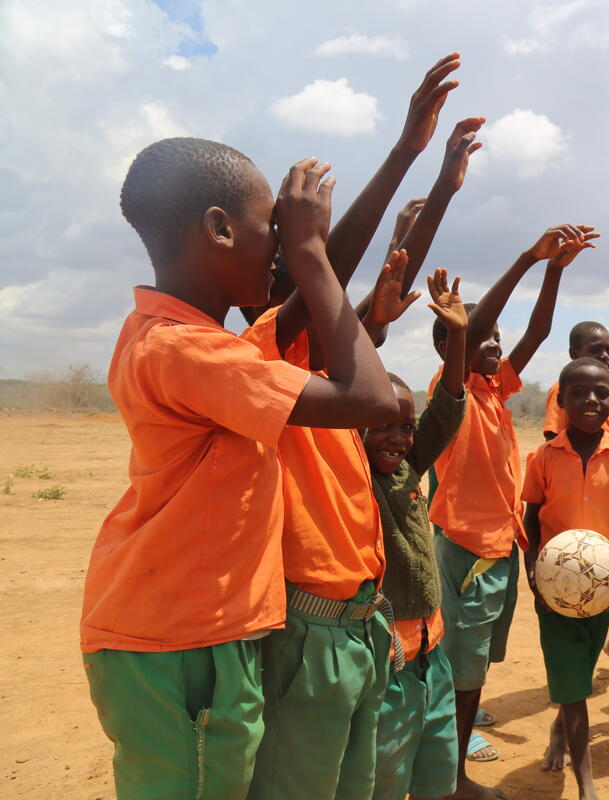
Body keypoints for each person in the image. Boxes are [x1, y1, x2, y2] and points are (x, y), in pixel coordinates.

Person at [80, 140, 398, 798]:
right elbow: (372, 400)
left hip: (195, 634)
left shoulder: (187, 341)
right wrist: (308, 252)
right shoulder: (187, 352)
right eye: (272, 230)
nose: (282, 248)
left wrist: (406, 150)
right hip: (177, 647)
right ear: (221, 228)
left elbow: (315, 301)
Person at [239, 55, 470, 800]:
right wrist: (404, 154)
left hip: (361, 618)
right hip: (308, 624)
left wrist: (435, 181)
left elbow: (393, 272)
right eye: (298, 271)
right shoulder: (263, 350)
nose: (316, 282)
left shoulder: (334, 365)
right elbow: (327, 274)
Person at [429, 223, 597, 800]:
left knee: (473, 667)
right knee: (462, 669)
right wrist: (526, 257)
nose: (494, 345)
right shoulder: (447, 393)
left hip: (498, 549)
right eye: (482, 339)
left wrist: (555, 269)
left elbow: (541, 329)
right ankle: (450, 780)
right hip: (468, 550)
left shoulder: (494, 391)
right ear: (452, 346)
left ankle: (449, 757)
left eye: (496, 338)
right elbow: (468, 333)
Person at [523, 357, 609, 800]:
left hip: (605, 589)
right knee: (572, 681)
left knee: (577, 670)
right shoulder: (541, 457)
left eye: (602, 393)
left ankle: (560, 731)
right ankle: (587, 784)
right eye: (579, 393)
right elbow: (531, 517)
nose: (591, 400)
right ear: (561, 401)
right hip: (554, 591)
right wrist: (533, 574)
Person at [369, 270, 469, 800]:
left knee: (437, 774)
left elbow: (448, 405)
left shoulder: (410, 466)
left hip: (434, 656)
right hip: (386, 665)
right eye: (382, 423)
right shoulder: (355, 476)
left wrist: (458, 336)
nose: (397, 436)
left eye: (405, 426)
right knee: (385, 780)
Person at [540, 321, 609, 683]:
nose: (605, 355)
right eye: (596, 349)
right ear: (573, 354)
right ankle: (576, 664)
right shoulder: (564, 388)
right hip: (581, 491)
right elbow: (559, 437)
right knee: (579, 567)